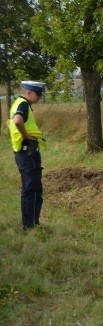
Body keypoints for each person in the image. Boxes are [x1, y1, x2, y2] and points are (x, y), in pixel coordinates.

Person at [8, 80, 47, 230]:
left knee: (29, 188)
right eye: (38, 94)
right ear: (28, 93)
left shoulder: (17, 103)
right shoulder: (23, 104)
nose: (39, 97)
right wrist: (26, 135)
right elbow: (17, 121)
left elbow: (9, 122)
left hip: (22, 152)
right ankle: (31, 225)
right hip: (27, 152)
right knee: (33, 189)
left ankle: (29, 223)